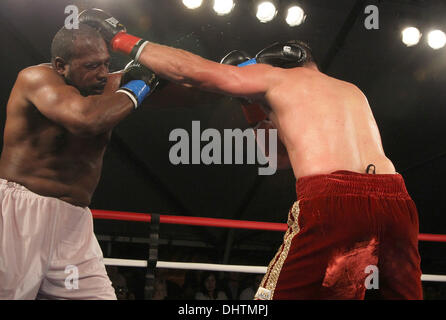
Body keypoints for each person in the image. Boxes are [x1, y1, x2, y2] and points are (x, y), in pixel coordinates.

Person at [81, 9, 423, 299]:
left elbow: (193, 72)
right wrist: (252, 108)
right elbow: (279, 159)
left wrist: (119, 39)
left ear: (277, 65)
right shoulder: (350, 91)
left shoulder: (276, 77)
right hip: (397, 202)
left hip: (334, 201)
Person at [0, 23, 159, 299]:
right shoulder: (35, 78)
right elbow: (87, 120)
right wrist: (141, 83)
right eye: (91, 66)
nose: (102, 73)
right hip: (18, 214)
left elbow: (186, 83)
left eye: (106, 64)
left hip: (73, 225)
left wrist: (247, 72)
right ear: (61, 65)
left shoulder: (112, 86)